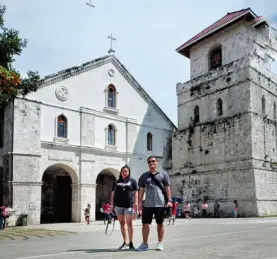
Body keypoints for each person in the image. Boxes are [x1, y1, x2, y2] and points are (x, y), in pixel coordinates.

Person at [137, 155, 172, 252]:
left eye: (153, 161)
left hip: (160, 204)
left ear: (157, 162)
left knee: (160, 224)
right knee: (145, 224)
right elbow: (141, 190)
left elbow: (167, 188)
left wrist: (169, 201)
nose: (151, 163)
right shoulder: (144, 176)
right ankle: (144, 244)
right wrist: (139, 202)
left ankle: (160, 243)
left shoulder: (163, 174)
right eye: (149, 162)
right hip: (147, 204)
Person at [110, 165, 138, 250]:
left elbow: (135, 192)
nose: (124, 173)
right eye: (123, 171)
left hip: (128, 205)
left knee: (129, 224)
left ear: (129, 172)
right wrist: (112, 204)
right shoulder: (116, 181)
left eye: (126, 171)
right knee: (122, 223)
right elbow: (113, 193)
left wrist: (136, 202)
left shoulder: (132, 181)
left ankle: (131, 242)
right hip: (118, 206)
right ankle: (125, 242)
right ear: (121, 172)